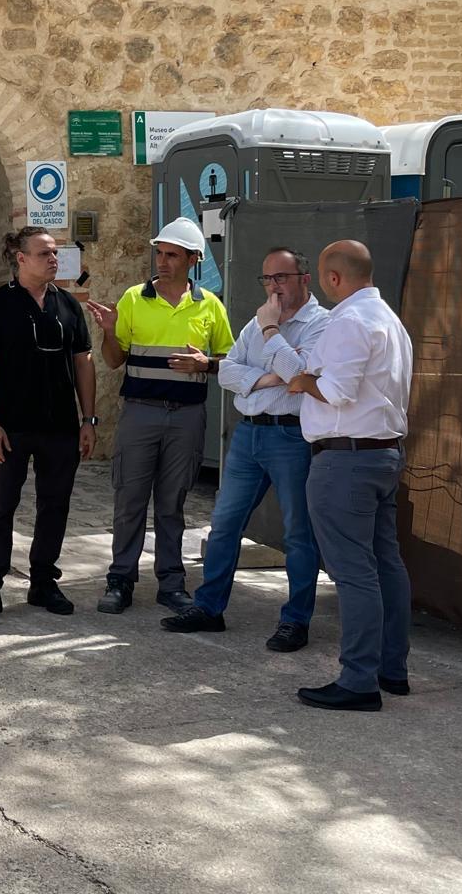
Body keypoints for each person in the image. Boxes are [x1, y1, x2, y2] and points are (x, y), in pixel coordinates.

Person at [160, 247, 328, 650]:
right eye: (267, 278)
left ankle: (296, 621)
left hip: (291, 436)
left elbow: (299, 376)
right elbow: (227, 373)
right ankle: (209, 608)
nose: (273, 286)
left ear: (305, 279)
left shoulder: (321, 324)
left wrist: (271, 333)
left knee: (298, 533)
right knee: (224, 525)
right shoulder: (257, 321)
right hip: (248, 434)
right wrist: (268, 376)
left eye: (281, 277)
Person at [286, 240, 413, 712]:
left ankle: (359, 680)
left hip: (346, 460)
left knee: (354, 572)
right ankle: (391, 669)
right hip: (382, 454)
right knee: (385, 564)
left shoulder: (349, 321)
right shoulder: (390, 321)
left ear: (333, 278)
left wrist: (303, 380)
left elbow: (336, 390)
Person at [87, 217, 234, 615]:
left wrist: (205, 364)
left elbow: (230, 361)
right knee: (129, 500)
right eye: (160, 253)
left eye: (172, 255)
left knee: (173, 503)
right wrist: (109, 331)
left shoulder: (210, 305)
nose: (163, 261)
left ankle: (171, 583)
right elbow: (114, 361)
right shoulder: (134, 298)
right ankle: (120, 580)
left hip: (188, 417)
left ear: (193, 259)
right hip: (140, 414)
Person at [0, 227, 98, 623]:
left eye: (55, 252)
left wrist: (88, 419)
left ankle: (43, 581)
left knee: (55, 505)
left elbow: (83, 364)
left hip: (60, 426)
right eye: (44, 253)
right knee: (0, 505)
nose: (53, 259)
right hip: (11, 427)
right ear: (20, 258)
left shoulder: (68, 305)